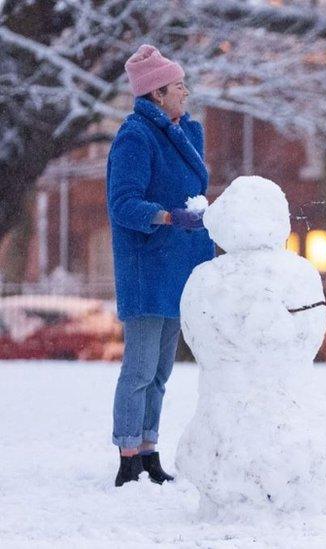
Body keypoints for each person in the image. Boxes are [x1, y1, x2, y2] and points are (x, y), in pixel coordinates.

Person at [107, 44, 214, 486]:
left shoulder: (181, 133)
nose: (186, 91)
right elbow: (124, 204)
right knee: (139, 370)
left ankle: (149, 450)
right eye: (178, 85)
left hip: (178, 269)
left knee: (161, 374)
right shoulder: (136, 136)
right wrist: (170, 216)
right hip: (147, 269)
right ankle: (128, 456)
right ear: (156, 94)